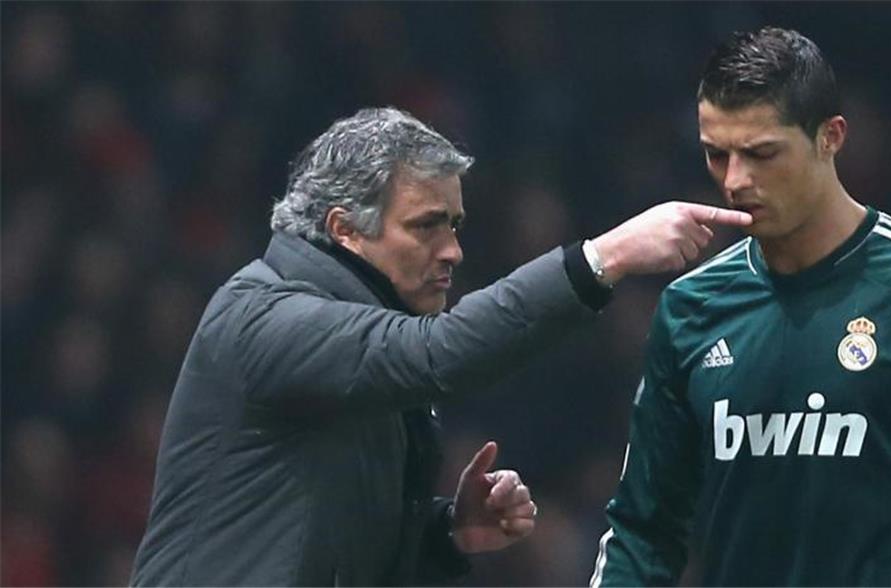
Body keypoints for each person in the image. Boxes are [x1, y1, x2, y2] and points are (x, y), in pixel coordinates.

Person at [130, 107, 751, 586]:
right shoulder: (265, 316)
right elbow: (439, 353)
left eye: (453, 225)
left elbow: (325, 539)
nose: (452, 250)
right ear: (344, 230)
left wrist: (446, 531)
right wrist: (603, 258)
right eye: (426, 226)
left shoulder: (354, 334)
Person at [590, 27, 891, 587]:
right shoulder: (691, 308)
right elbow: (642, 530)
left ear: (830, 137)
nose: (735, 180)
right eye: (716, 154)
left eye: (761, 153)